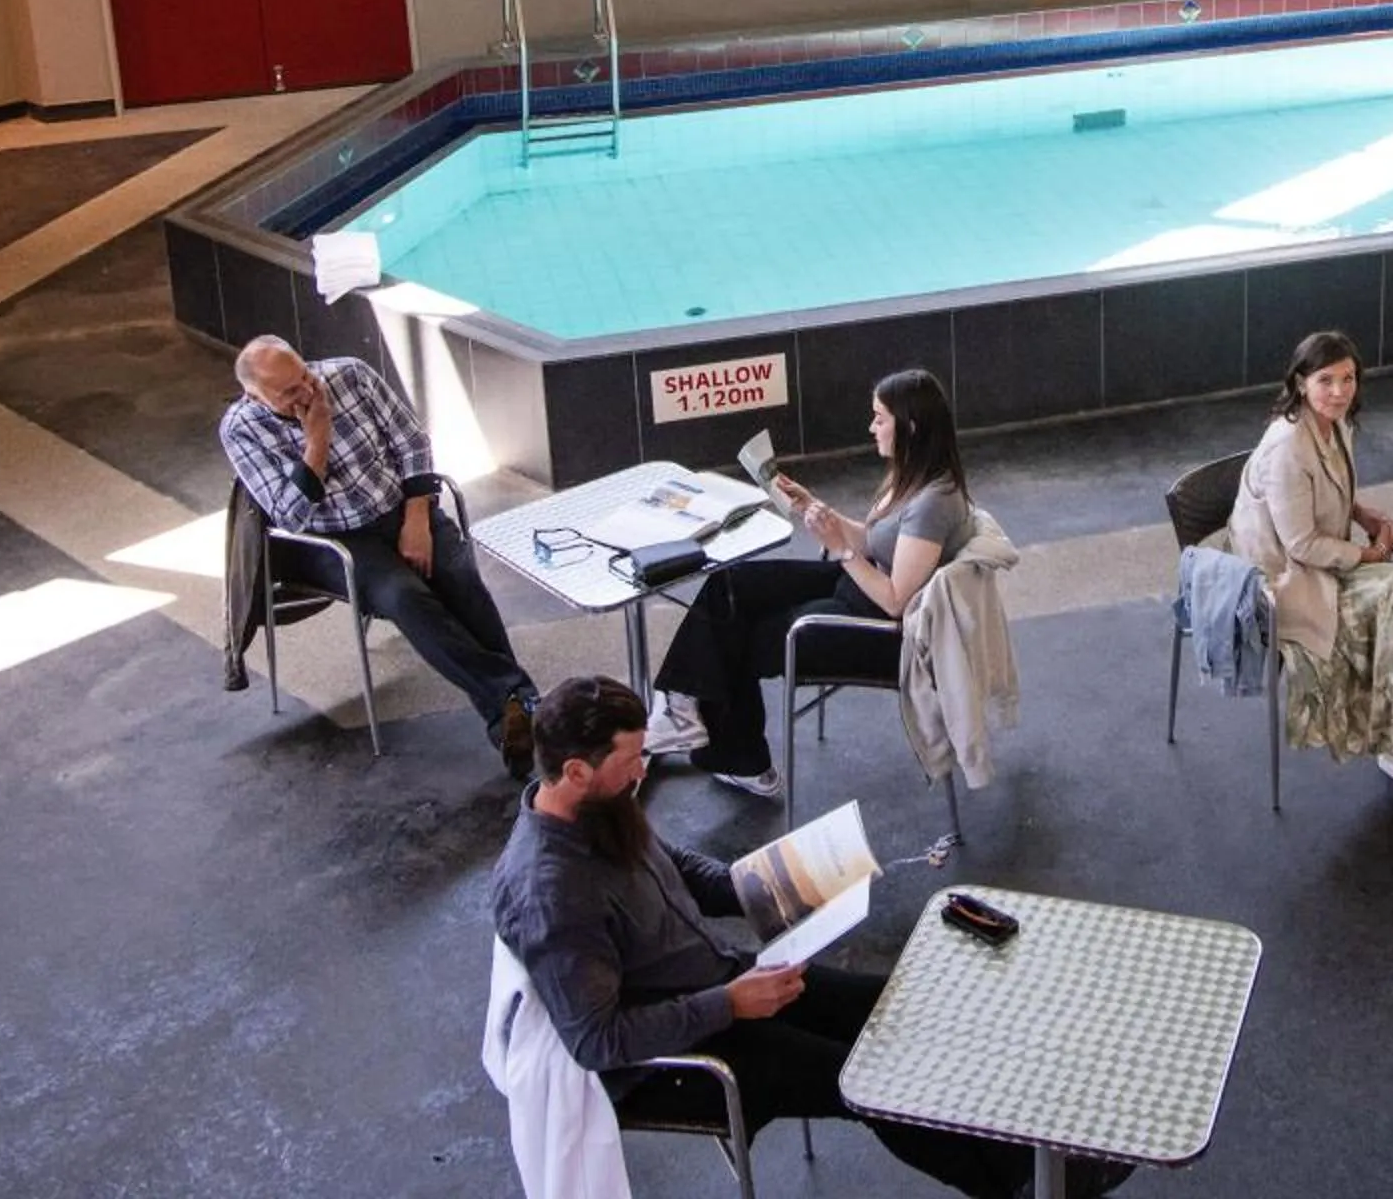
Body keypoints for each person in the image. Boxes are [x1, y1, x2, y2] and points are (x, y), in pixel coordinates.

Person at [490, 677, 1078, 1199]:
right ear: (575, 771)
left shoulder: (601, 804)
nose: (643, 770)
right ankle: (1022, 1184)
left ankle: (1024, 1153)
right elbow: (598, 1041)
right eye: (631, 761)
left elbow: (680, 872)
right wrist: (731, 1004)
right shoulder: (553, 894)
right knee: (869, 1080)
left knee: (900, 1010)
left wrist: (793, 880)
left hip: (720, 982)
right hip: (673, 1062)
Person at [221, 335, 541, 776]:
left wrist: (416, 518)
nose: (307, 392)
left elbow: (412, 443)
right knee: (404, 596)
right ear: (253, 395)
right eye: (289, 392)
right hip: (333, 541)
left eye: (304, 377)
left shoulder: (351, 374)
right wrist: (317, 440)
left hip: (399, 509)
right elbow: (289, 516)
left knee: (458, 577)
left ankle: (510, 716)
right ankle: (518, 697)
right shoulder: (241, 428)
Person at [645, 368, 970, 798]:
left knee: (736, 637)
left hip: (880, 630)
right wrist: (817, 509)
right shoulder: (912, 476)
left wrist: (841, 548)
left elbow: (895, 601)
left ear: (909, 426)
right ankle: (682, 705)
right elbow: (878, 542)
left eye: (879, 418)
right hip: (854, 587)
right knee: (731, 585)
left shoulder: (932, 503)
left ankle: (739, 757)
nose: (871, 427)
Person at [1229, 332, 1393, 799]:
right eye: (1326, 380)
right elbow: (1301, 544)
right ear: (1301, 383)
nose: (1340, 391)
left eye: (1348, 379)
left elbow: (1330, 494)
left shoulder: (1336, 424)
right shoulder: (1287, 447)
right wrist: (1371, 554)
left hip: (1312, 560)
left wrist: (1366, 515)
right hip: (1278, 580)